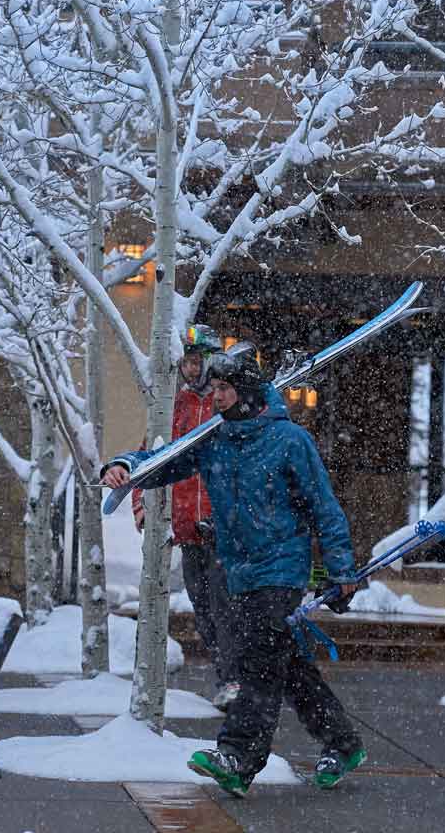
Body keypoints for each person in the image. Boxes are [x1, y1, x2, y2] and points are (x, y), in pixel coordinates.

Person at [102, 342, 366, 797]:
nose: (216, 396)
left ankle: (238, 756)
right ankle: (342, 743)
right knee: (287, 666)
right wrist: (126, 466)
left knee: (259, 665)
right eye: (215, 387)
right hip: (238, 571)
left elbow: (325, 508)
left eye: (224, 388)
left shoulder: (290, 442)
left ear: (244, 391)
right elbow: (163, 461)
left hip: (282, 569)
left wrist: (342, 570)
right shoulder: (214, 439)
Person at [131, 324, 239, 710]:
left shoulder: (224, 406)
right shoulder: (172, 407)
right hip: (186, 531)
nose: (191, 371)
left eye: (197, 362)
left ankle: (233, 680)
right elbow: (149, 457)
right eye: (186, 363)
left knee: (225, 607)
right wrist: (142, 506)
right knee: (204, 612)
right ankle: (226, 674)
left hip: (223, 530)